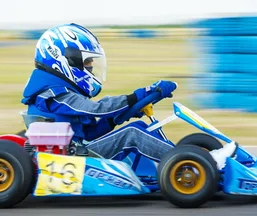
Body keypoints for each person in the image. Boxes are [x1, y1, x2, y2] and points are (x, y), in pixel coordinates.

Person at [20, 22, 237, 168]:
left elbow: (90, 131)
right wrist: (140, 94)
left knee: (139, 128)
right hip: (70, 160)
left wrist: (121, 116)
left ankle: (191, 158)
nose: (90, 69)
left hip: (77, 150)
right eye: (87, 63)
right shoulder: (52, 95)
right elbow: (96, 109)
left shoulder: (60, 93)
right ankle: (196, 163)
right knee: (132, 134)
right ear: (64, 60)